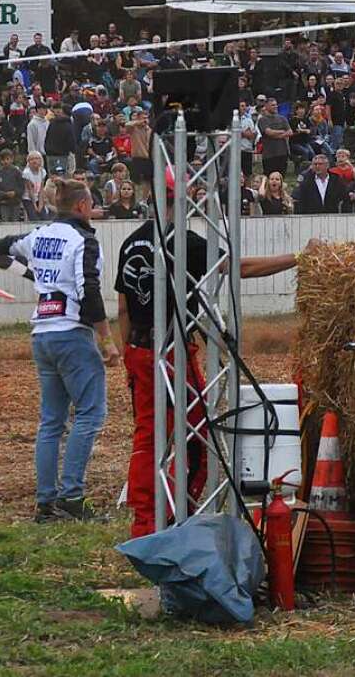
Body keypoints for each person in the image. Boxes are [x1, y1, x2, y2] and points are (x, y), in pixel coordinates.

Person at [116, 167, 315, 538]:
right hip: (170, 349)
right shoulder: (185, 242)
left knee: (149, 434)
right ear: (184, 201)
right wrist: (299, 259)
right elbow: (241, 268)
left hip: (141, 350)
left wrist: (130, 354)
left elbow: (124, 307)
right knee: (191, 436)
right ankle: (177, 514)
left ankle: (148, 517)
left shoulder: (132, 241)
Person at [0, 178, 119, 522]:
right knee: (90, 415)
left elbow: (11, 244)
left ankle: (46, 503)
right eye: (92, 206)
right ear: (82, 207)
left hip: (42, 333)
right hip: (71, 332)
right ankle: (72, 497)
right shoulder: (84, 240)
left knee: (51, 422)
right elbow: (89, 291)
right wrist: (108, 340)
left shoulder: (42, 234)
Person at [0, 150, 26, 222]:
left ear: (12, 159)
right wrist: (4, 194)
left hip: (16, 202)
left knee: (15, 221)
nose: (5, 161)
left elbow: (22, 187)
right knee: (5, 222)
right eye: (3, 159)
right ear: (0, 161)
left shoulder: (17, 172)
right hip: (3, 203)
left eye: (8, 159)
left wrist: (15, 193)